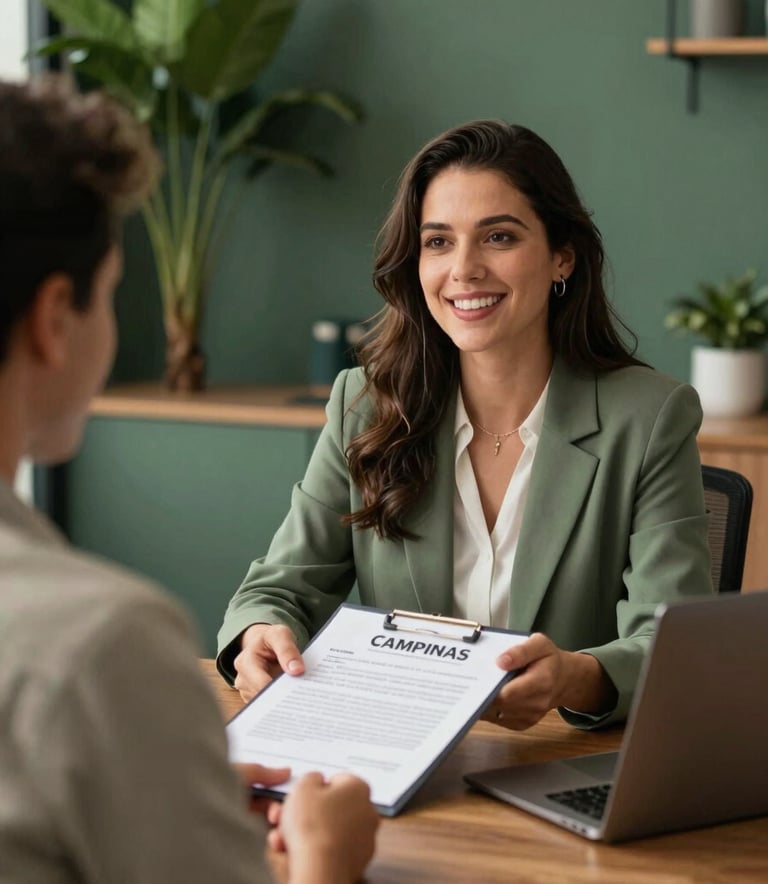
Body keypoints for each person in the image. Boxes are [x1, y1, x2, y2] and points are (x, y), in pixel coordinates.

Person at [0, 74, 377, 884]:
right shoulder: (102, 642)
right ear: (53, 318)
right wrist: (328, 864)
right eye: (110, 295)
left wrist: (167, 788)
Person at [218, 119, 712, 731]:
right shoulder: (365, 406)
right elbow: (281, 588)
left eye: (498, 237)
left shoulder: (649, 417)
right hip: (398, 760)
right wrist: (260, 635)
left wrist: (575, 675)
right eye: (438, 241)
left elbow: (673, 642)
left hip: (560, 766)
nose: (464, 269)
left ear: (562, 255)